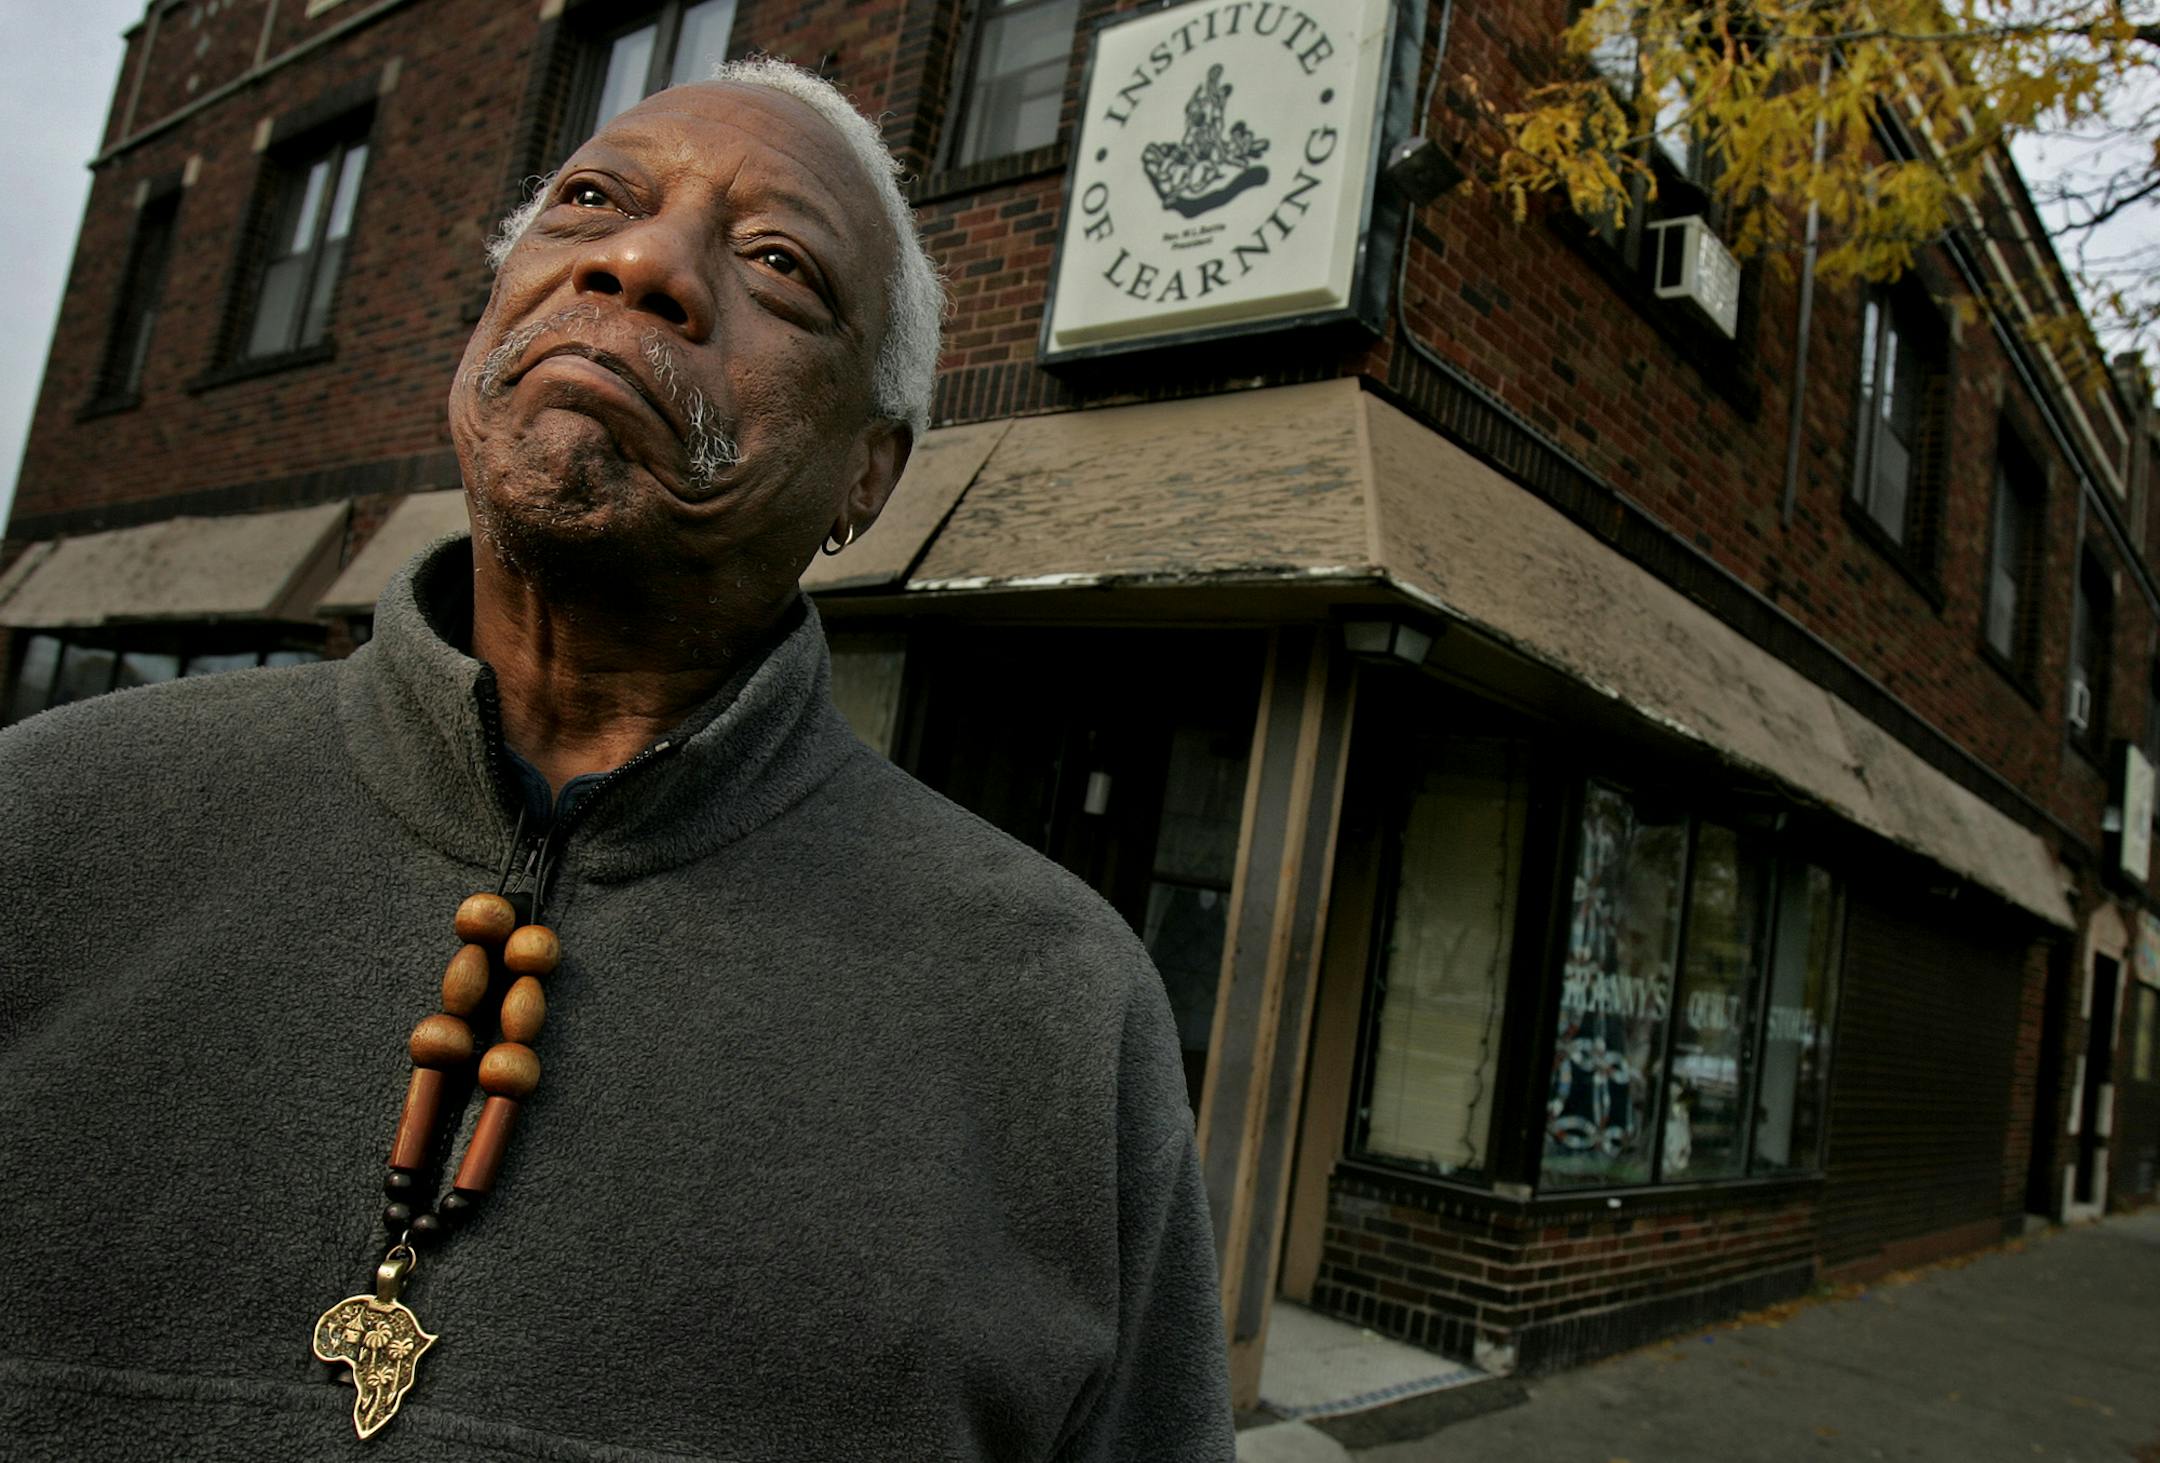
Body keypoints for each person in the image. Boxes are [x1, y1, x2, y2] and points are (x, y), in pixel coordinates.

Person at [0, 60, 1236, 1460]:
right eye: (590, 202)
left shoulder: (1059, 1013)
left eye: (778, 263)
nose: (642, 262)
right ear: (490, 313)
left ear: (867, 479)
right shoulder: (47, 823)